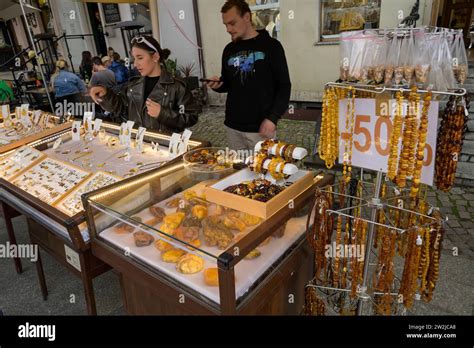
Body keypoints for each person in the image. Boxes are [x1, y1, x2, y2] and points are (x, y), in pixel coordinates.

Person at [207, 0, 291, 153]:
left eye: (232, 23)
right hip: (233, 127)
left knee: (263, 171)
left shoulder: (272, 47)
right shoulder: (229, 50)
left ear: (247, 17)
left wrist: (273, 118)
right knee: (238, 172)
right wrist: (218, 85)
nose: (228, 29)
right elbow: (227, 83)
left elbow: (284, 86)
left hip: (261, 129)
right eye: (225, 25)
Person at [89, 36, 200, 133]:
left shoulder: (177, 86)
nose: (136, 64)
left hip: (165, 149)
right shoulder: (133, 85)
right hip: (139, 147)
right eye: (134, 59)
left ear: (155, 57)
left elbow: (190, 117)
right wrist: (105, 93)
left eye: (140, 58)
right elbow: (120, 108)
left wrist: (162, 113)